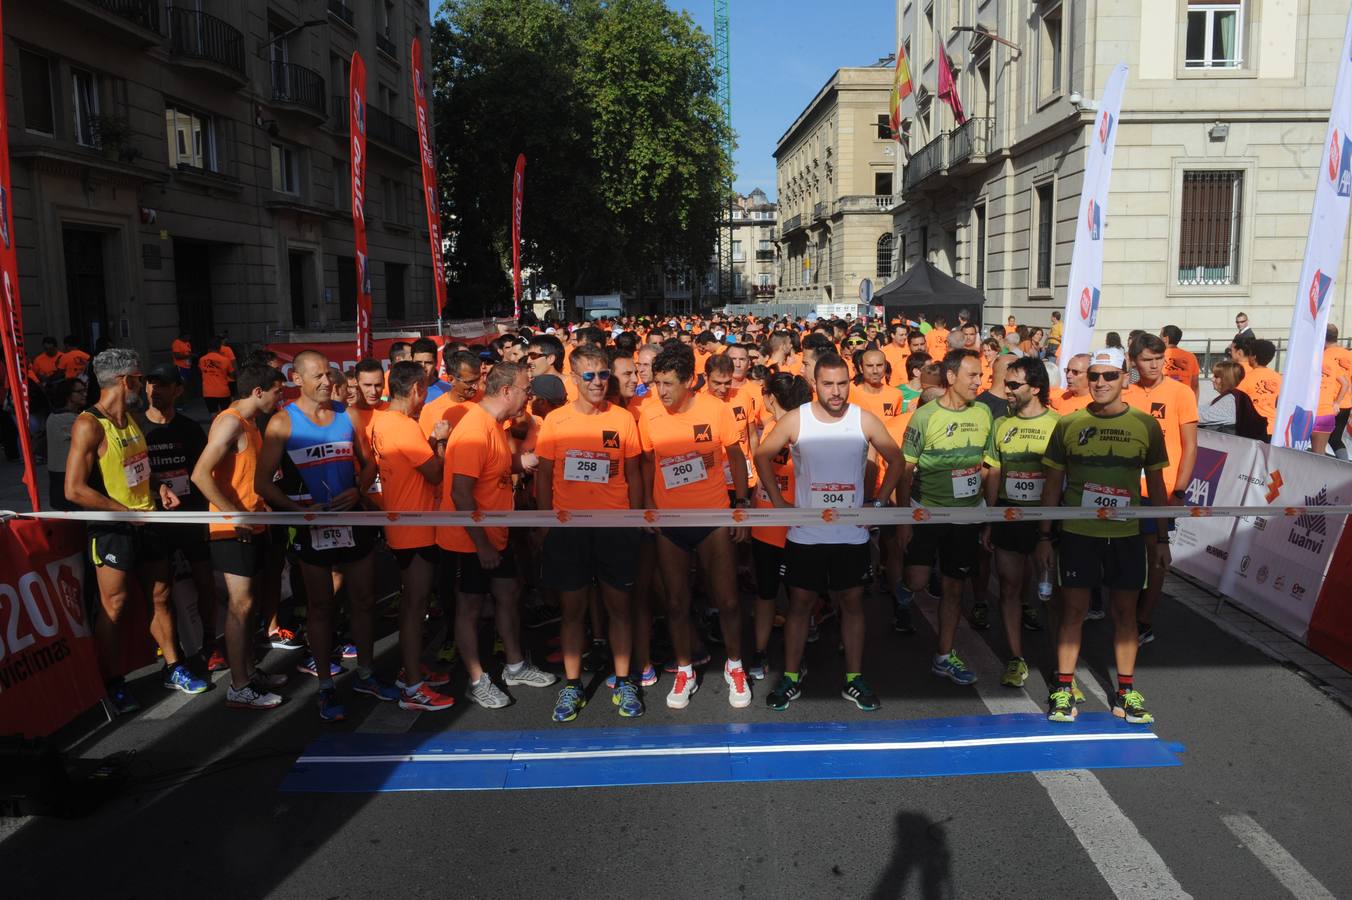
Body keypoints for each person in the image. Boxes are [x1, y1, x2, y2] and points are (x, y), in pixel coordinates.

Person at [755, 353, 905, 712]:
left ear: (849, 383)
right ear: (815, 385)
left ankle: (854, 680)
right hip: (806, 534)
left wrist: (879, 503)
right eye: (828, 384)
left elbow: (896, 459)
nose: (836, 392)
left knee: (852, 605)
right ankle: (790, 677)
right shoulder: (797, 419)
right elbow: (763, 456)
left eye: (842, 384)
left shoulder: (863, 419)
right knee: (799, 607)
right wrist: (778, 501)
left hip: (850, 534)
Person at [65, 349, 207, 714]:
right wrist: (124, 513)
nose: (144, 386)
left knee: (160, 595)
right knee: (115, 606)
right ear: (125, 380)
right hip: (114, 528)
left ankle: (174, 666)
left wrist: (158, 485)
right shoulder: (89, 424)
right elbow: (74, 489)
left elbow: (140, 469)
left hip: (148, 520)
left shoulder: (129, 419)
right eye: (140, 378)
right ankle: (111, 683)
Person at [1036, 346, 1171, 724]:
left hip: (1126, 535)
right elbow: (1052, 484)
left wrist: (1161, 540)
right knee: (1074, 611)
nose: (1100, 382)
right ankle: (1063, 689)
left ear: (1125, 379)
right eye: (1094, 375)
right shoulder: (1068, 424)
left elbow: (1157, 488)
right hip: (1079, 533)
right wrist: (1045, 536)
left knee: (1125, 614)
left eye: (1109, 376)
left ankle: (1125, 692)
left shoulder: (1145, 425)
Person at [256, 350, 390, 722]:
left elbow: (369, 463)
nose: (326, 382)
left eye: (329, 376)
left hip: (353, 522)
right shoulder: (283, 422)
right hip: (312, 527)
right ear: (297, 379)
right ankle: (326, 686)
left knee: (363, 599)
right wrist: (297, 511)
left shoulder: (347, 415)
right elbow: (262, 483)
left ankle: (365, 673)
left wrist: (359, 491)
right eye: (317, 377)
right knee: (321, 607)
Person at [637, 342, 752, 710]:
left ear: (689, 380)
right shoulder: (649, 413)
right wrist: (649, 506)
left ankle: (736, 666)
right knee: (675, 602)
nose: (661, 391)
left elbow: (735, 455)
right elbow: (647, 462)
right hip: (670, 522)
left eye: (669, 383)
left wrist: (741, 504)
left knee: (729, 600)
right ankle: (684, 669)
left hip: (713, 518)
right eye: (657, 383)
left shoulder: (716, 410)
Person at [536, 344, 646, 721]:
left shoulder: (623, 419)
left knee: (620, 608)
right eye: (589, 375)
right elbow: (545, 475)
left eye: (603, 375)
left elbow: (633, 472)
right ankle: (572, 685)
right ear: (573, 379)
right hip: (569, 528)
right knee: (572, 612)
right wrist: (543, 523)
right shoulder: (555, 422)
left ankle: (623, 678)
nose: (598, 382)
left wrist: (635, 519)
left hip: (615, 526)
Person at [438, 361, 557, 708]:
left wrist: (528, 461)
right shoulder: (475, 430)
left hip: (495, 535)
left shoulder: (493, 425)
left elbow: (498, 469)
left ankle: (516, 665)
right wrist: (482, 544)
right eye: (526, 389)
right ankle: (477, 680)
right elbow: (461, 494)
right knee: (469, 607)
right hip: (471, 540)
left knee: (509, 592)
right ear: (507, 391)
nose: (529, 397)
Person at [190, 362, 289, 709]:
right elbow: (200, 475)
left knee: (250, 606)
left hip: (252, 524)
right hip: (232, 529)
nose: (282, 397)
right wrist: (234, 515)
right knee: (241, 605)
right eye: (278, 390)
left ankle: (248, 670)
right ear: (258, 391)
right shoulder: (231, 421)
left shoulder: (251, 423)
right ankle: (239, 685)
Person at [898, 349, 993, 687]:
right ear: (951, 377)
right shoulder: (924, 418)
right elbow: (904, 469)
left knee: (954, 589)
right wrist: (905, 519)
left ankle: (943, 656)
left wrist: (988, 516)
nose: (979, 381)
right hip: (927, 511)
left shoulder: (983, 413)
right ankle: (903, 589)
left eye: (981, 375)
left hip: (966, 517)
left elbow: (989, 466)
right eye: (972, 375)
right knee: (919, 582)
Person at [366, 360, 456, 711]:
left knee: (414, 604)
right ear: (417, 388)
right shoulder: (403, 426)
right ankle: (412, 686)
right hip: (414, 527)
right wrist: (443, 441)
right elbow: (434, 473)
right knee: (415, 605)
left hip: (406, 523)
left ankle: (413, 669)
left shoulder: (384, 421)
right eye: (425, 388)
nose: (426, 396)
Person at [980, 357, 1058, 688]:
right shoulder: (1001, 424)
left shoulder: (1059, 424)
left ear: (1035, 388)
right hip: (1009, 515)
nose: (1006, 390)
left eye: (1013, 385)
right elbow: (993, 471)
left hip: (1047, 519)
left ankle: (1061, 668)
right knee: (1010, 587)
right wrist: (990, 518)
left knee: (1051, 595)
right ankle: (1016, 658)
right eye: (1006, 384)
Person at [141, 364, 222, 670]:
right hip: (155, 522)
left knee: (205, 583)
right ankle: (171, 654)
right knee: (160, 592)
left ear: (178, 390)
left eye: (162, 384)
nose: (154, 390)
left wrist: (207, 516)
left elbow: (204, 474)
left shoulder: (189, 428)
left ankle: (210, 642)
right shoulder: (137, 428)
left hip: (191, 517)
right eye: (150, 383)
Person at [1124, 333, 1197, 646]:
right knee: (1128, 555)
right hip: (1125, 489)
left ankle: (1144, 619)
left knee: (1156, 555)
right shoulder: (1125, 391)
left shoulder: (1180, 393)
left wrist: (1179, 492)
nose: (1153, 365)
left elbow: (1190, 446)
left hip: (1162, 490)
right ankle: (1126, 612)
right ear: (1134, 361)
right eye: (1146, 360)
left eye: (1158, 359)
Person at [45, 379, 85, 511]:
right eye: (79, 392)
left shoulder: (62, 416)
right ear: (68, 395)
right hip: (66, 478)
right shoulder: (65, 419)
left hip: (64, 478)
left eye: (84, 390)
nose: (84, 394)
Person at [1200, 361, 1267, 439]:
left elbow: (1200, 417)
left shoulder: (1230, 399)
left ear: (1226, 379)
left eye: (1216, 376)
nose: (1212, 379)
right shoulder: (1234, 396)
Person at [1234, 339, 1282, 437]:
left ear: (1254, 357)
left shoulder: (1245, 377)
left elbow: (1236, 401)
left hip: (1253, 429)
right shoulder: (1278, 377)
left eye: (1250, 354)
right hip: (1275, 428)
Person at [848, 348, 903, 420]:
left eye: (879, 365)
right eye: (869, 366)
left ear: (885, 367)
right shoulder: (849, 392)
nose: (875, 371)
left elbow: (896, 424)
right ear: (861, 368)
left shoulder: (895, 394)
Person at [199, 336, 235, 416]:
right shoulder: (225, 360)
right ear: (219, 348)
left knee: (213, 414)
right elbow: (232, 375)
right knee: (225, 414)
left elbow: (201, 372)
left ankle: (215, 427)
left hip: (208, 392)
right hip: (223, 391)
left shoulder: (202, 359)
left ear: (208, 348)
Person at [1160, 326, 1200, 395]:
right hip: (1184, 398)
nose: (1158, 338)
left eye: (1160, 335)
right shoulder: (1191, 356)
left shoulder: (1157, 356)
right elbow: (1195, 384)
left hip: (1163, 398)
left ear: (1165, 339)